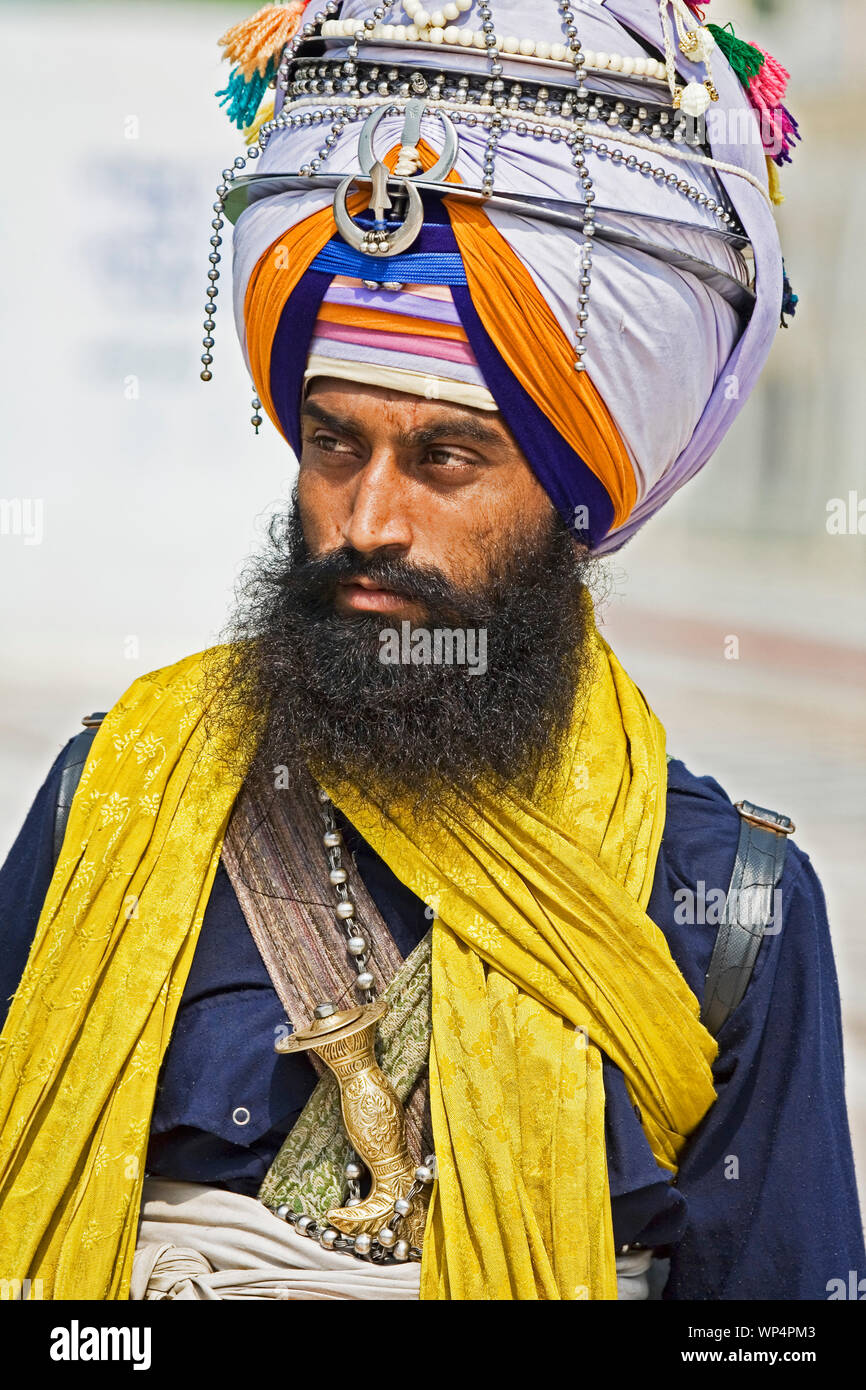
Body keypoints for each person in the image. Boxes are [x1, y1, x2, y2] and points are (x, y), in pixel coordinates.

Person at [0, 0, 862, 1301]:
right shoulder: (111, 793)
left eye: (447, 459)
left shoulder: (732, 905)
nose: (367, 520)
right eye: (334, 445)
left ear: (575, 501)